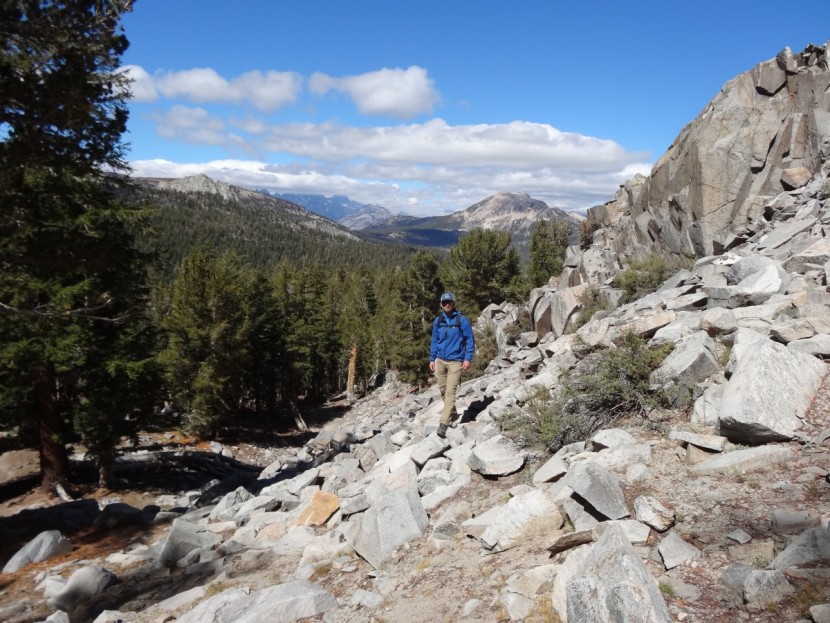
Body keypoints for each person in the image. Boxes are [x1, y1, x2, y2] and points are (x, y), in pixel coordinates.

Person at [429, 292, 475, 438]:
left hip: (456, 361)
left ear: (454, 303)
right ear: (441, 305)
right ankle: (453, 414)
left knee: (450, 392)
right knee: (442, 390)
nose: (447, 305)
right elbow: (435, 340)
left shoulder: (462, 320)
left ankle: (443, 424)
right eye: (444, 303)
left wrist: (467, 358)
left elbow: (469, 340)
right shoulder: (438, 320)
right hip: (440, 361)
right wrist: (432, 358)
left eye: (449, 302)